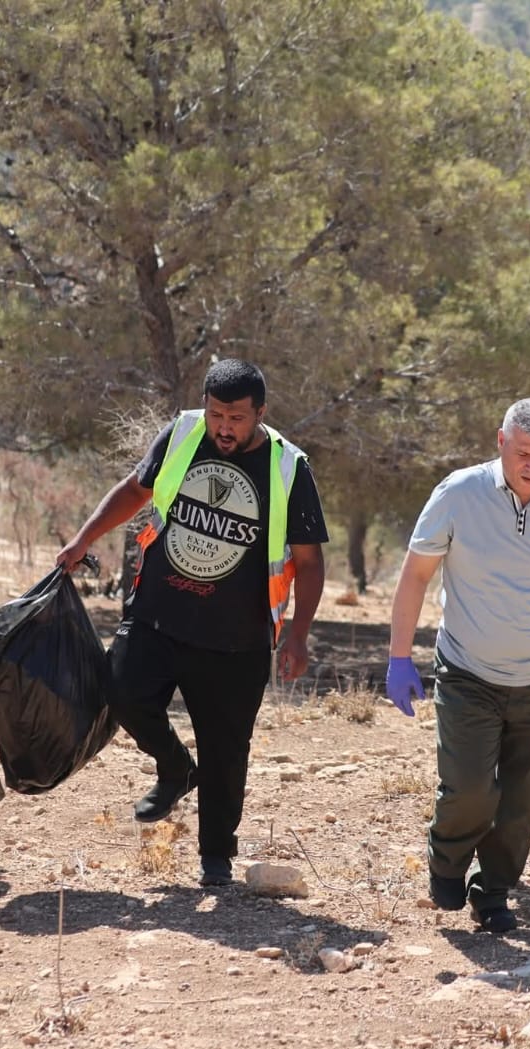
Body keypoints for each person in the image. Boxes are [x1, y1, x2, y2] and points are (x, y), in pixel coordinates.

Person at [54, 359, 327, 888]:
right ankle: (175, 766)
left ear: (260, 414)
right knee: (119, 690)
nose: (224, 427)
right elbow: (137, 490)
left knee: (227, 751)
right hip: (158, 614)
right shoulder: (182, 433)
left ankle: (216, 858)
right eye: (217, 413)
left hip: (238, 639)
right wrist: (85, 537)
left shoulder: (289, 466)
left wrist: (298, 633)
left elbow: (310, 562)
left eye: (237, 418)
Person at [387, 399, 530, 934]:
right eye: (522, 453)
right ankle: (446, 862)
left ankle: (492, 891)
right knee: (470, 789)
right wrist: (400, 657)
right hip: (468, 671)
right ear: (500, 442)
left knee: (519, 804)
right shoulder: (458, 493)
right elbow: (416, 575)